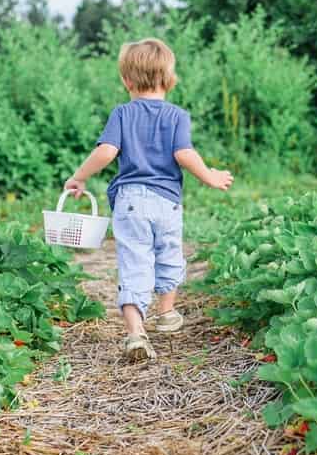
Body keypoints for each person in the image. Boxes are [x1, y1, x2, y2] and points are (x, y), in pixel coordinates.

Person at [64, 38, 233, 361]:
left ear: (126, 81)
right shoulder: (177, 116)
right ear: (170, 79)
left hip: (130, 201)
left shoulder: (122, 114)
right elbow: (184, 153)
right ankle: (167, 312)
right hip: (166, 201)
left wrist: (80, 176)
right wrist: (210, 176)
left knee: (134, 263)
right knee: (170, 254)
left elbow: (107, 151)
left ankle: (136, 333)